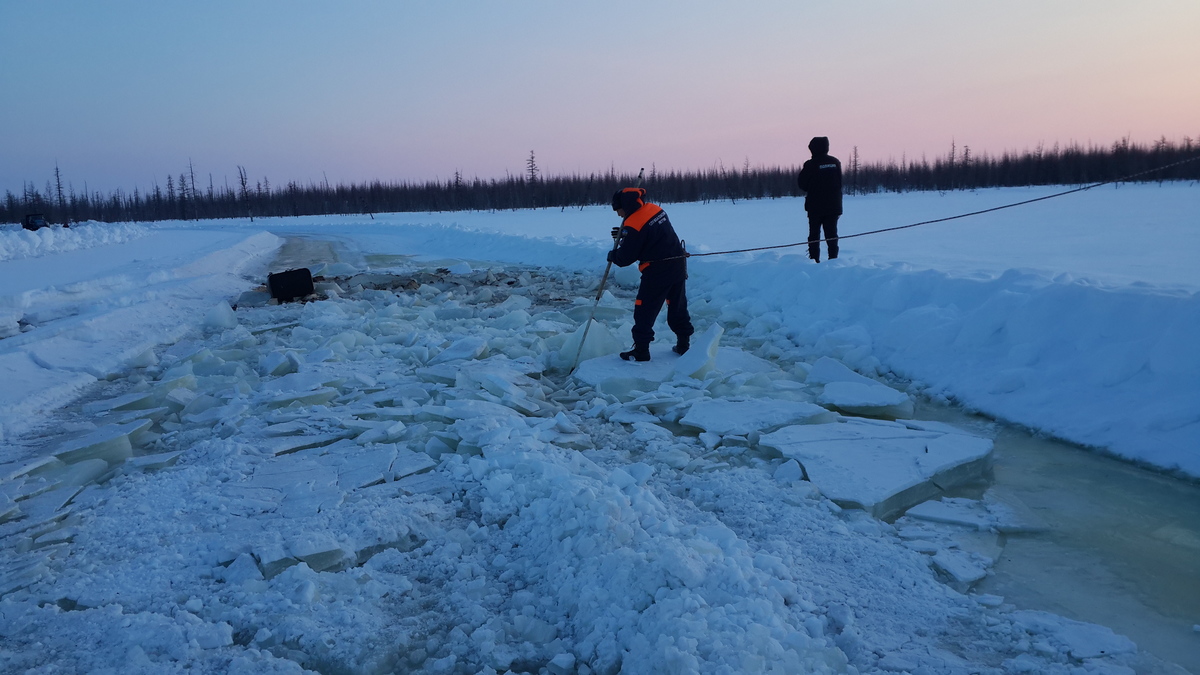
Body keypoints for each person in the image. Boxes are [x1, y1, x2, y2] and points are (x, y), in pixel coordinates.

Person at [606, 187, 694, 362]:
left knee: (644, 309)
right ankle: (683, 344)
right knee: (677, 305)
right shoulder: (654, 209)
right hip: (677, 264)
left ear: (624, 206)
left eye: (618, 210)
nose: (618, 215)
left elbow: (625, 258)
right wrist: (626, 236)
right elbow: (651, 236)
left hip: (657, 271)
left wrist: (613, 255)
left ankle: (641, 351)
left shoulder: (634, 223)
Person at [796, 136, 843, 262]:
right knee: (832, 234)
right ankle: (833, 260)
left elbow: (802, 184)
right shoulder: (835, 162)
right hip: (834, 205)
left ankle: (814, 260)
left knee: (814, 235)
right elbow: (839, 183)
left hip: (815, 206)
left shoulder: (810, 164)